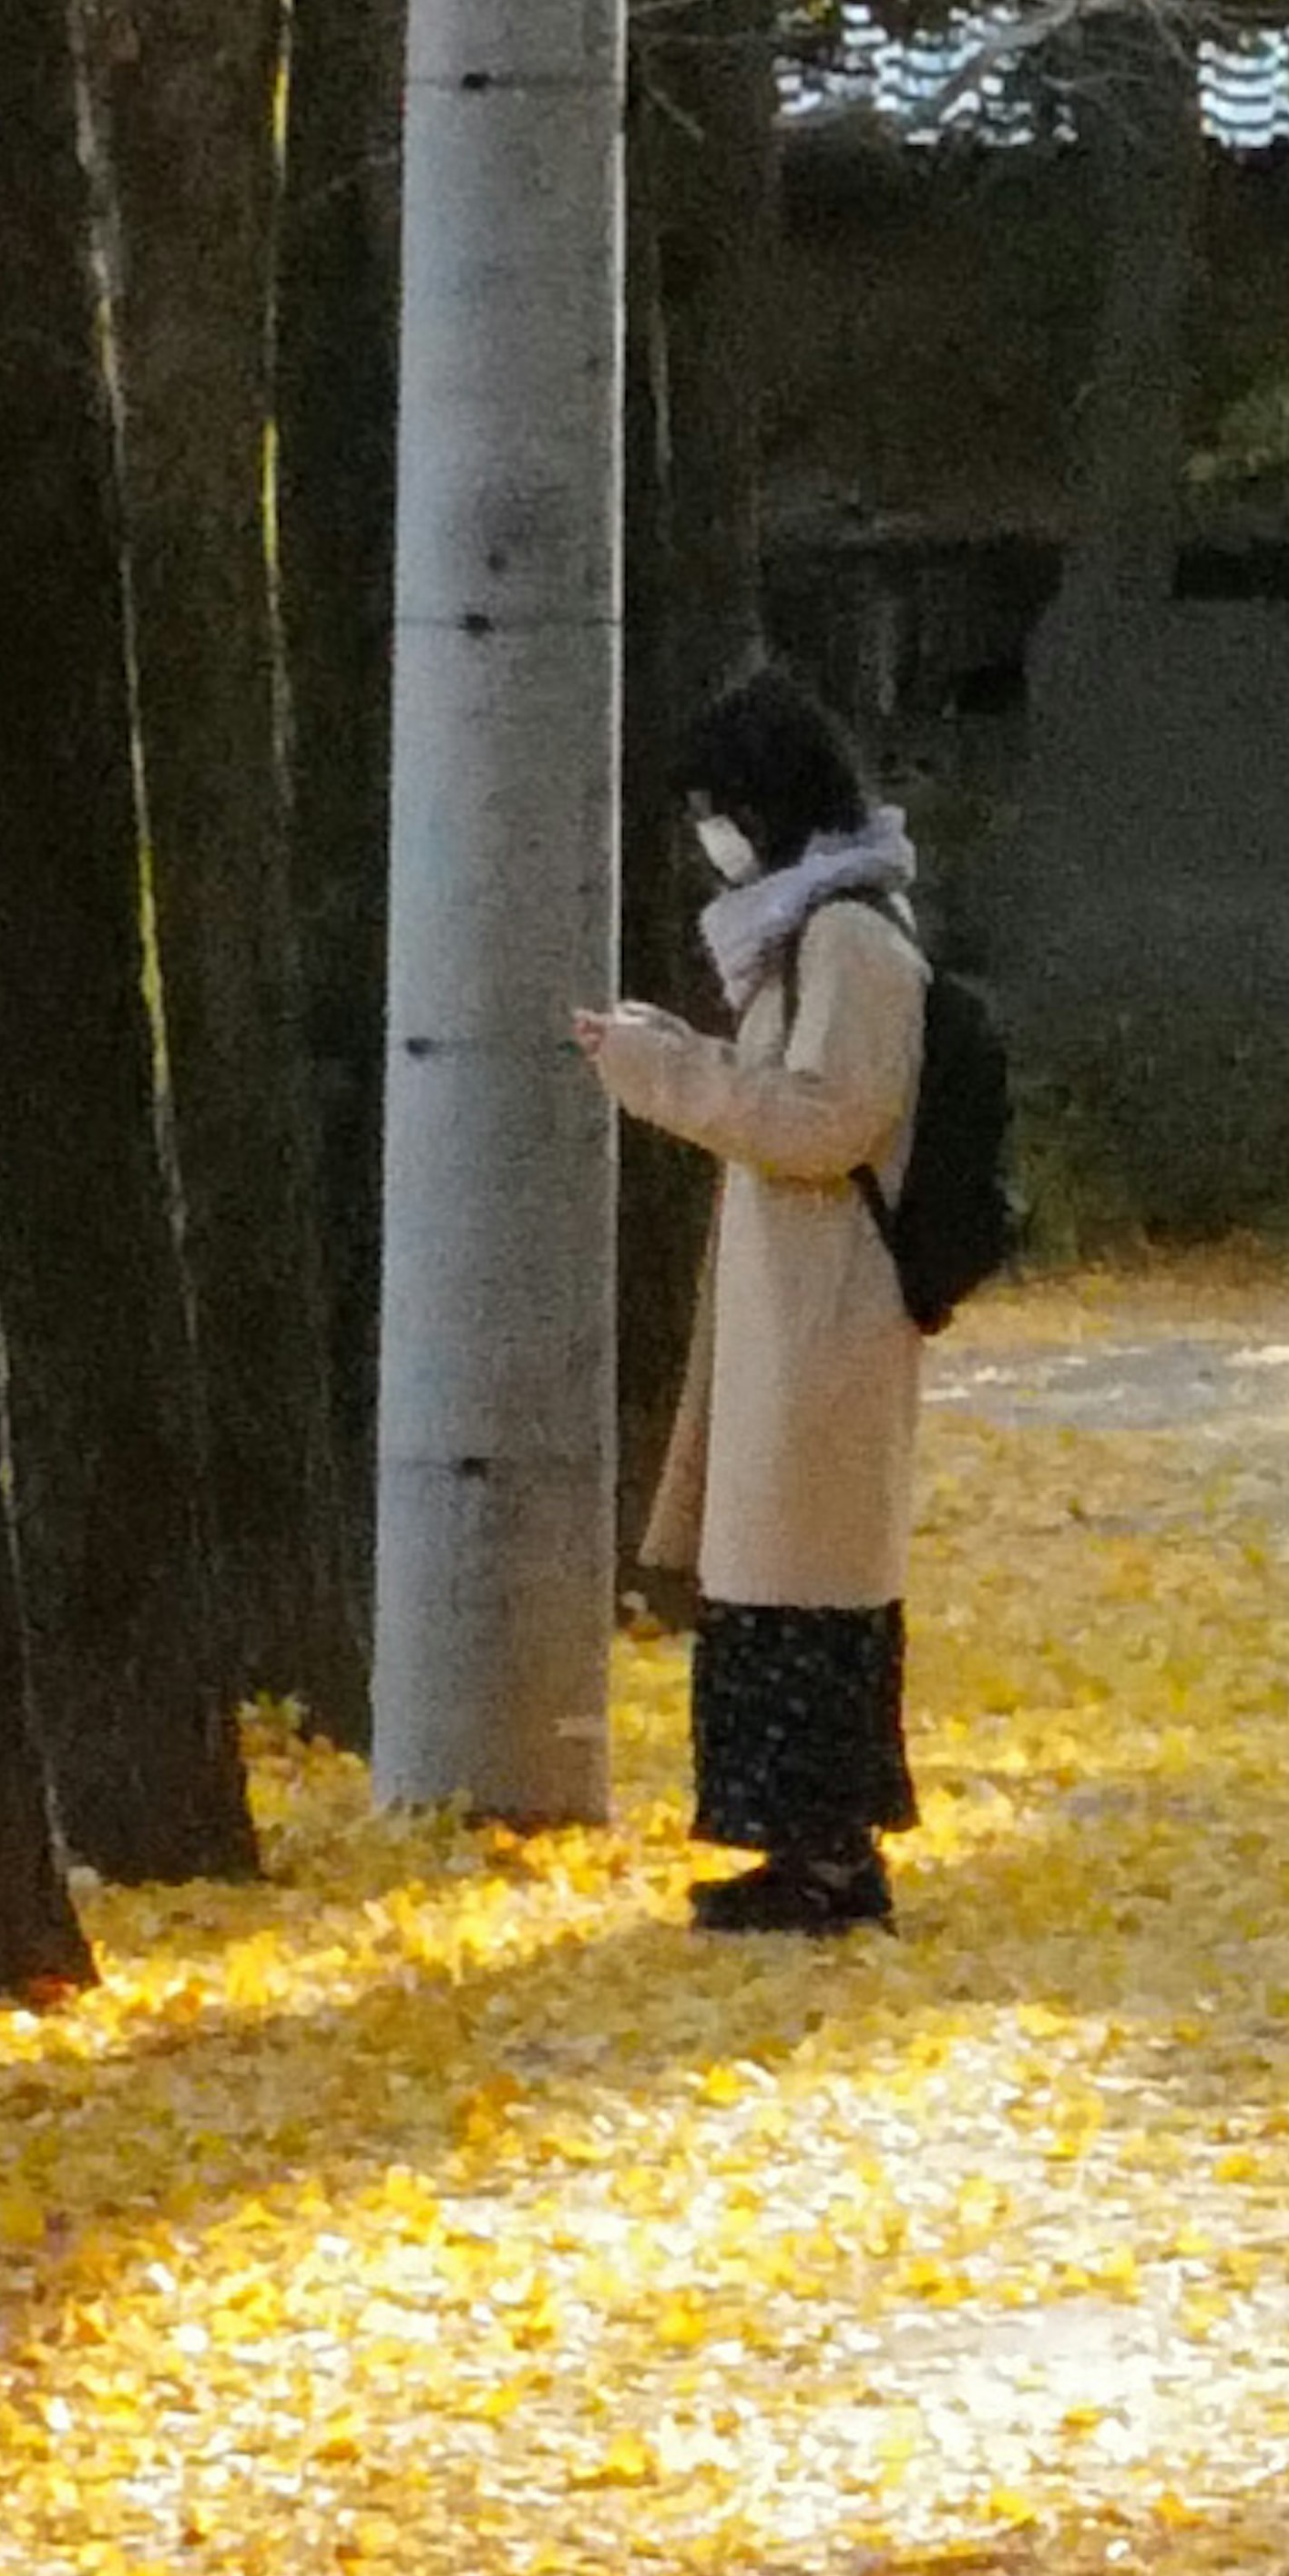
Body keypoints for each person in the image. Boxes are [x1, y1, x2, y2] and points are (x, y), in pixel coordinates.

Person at [573, 670, 928, 1934]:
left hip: (831, 1310)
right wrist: (677, 1053)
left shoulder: (848, 937)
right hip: (801, 1304)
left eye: (719, 808)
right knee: (773, 1580)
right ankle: (799, 1851)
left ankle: (830, 1860)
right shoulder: (815, 927)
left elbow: (826, 1120)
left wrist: (666, 1074)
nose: (707, 835)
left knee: (807, 1586)